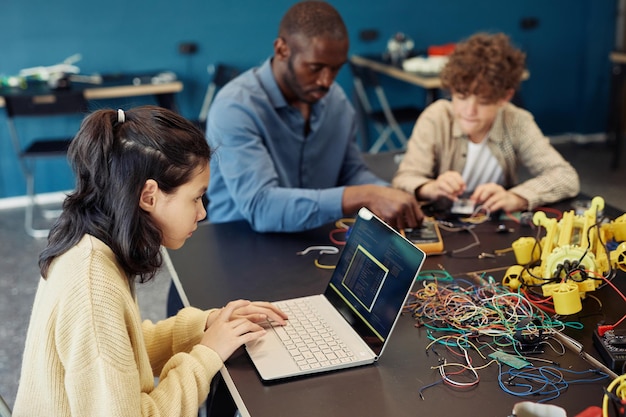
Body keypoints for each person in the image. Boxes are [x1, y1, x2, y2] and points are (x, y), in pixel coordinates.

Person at [13, 106, 287, 417]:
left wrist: (207, 325)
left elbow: (122, 351)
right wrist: (207, 354)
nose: (202, 212)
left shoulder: (93, 246)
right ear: (149, 196)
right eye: (196, 197)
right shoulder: (93, 289)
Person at [205, 0, 423, 233]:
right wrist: (366, 194)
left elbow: (351, 172)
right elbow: (262, 207)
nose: (327, 81)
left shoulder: (335, 101)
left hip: (313, 239)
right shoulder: (235, 107)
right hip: (239, 244)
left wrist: (386, 194)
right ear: (281, 50)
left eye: (336, 68)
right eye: (315, 67)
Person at [392, 32, 580, 214]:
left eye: (483, 102)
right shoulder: (436, 118)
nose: (469, 111)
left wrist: (517, 197)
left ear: (505, 97)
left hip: (494, 225)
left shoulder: (517, 121)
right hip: (441, 224)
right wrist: (430, 187)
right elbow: (403, 179)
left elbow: (565, 177)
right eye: (461, 96)